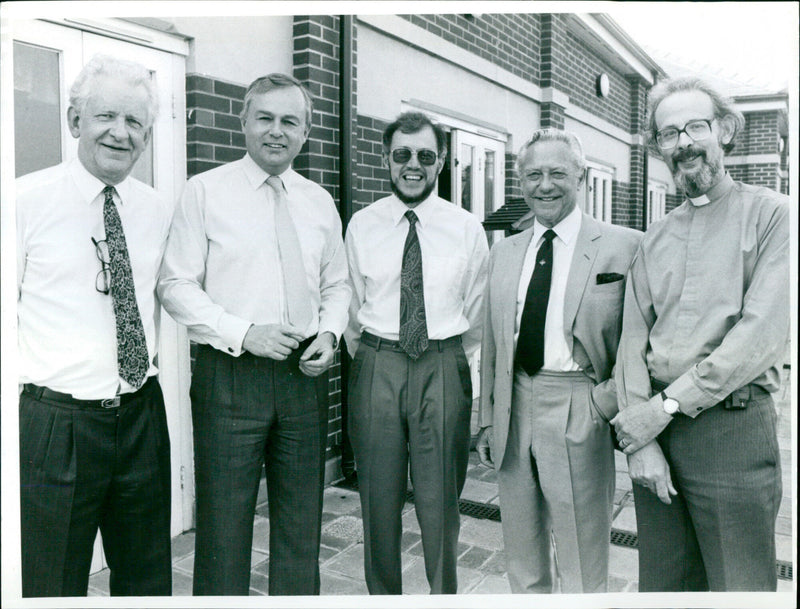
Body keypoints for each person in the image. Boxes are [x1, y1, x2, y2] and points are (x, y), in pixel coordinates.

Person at [157, 73, 350, 595]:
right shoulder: (205, 192)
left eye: (290, 121)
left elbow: (338, 283)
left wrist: (329, 335)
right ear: (243, 122)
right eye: (264, 117)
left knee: (300, 525)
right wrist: (245, 334)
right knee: (223, 526)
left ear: (306, 133)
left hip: (304, 380)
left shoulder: (319, 202)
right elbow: (175, 285)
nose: (276, 131)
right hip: (230, 377)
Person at [612, 77, 789, 591]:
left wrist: (661, 408)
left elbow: (759, 337)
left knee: (740, 589)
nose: (684, 142)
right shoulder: (655, 238)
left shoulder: (774, 216)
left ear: (725, 131)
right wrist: (639, 442)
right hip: (656, 435)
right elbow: (631, 342)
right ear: (660, 149)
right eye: (669, 133)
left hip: (731, 434)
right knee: (663, 588)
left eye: (695, 126)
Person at [16, 54, 172, 597]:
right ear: (74, 120)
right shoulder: (21, 203)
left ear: (147, 139)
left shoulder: (155, 210)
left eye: (135, 123)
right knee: (51, 582)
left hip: (140, 417)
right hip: (56, 424)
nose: (120, 132)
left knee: (148, 578)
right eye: (106, 115)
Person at [476, 129, 641, 593]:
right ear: (520, 181)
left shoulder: (623, 246)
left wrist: (600, 404)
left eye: (557, 173)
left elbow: (639, 342)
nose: (544, 185)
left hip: (577, 405)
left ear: (582, 178)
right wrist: (489, 418)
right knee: (522, 557)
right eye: (533, 175)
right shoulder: (506, 251)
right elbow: (493, 342)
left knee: (582, 559)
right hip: (514, 406)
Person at [344, 111, 489, 594]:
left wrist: (456, 369)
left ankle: (442, 597)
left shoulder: (466, 229)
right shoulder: (363, 226)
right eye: (402, 154)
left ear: (441, 161)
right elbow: (349, 307)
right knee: (377, 500)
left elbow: (478, 313)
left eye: (425, 156)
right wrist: (373, 358)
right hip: (377, 362)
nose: (413, 165)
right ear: (386, 159)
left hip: (443, 363)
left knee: (441, 501)